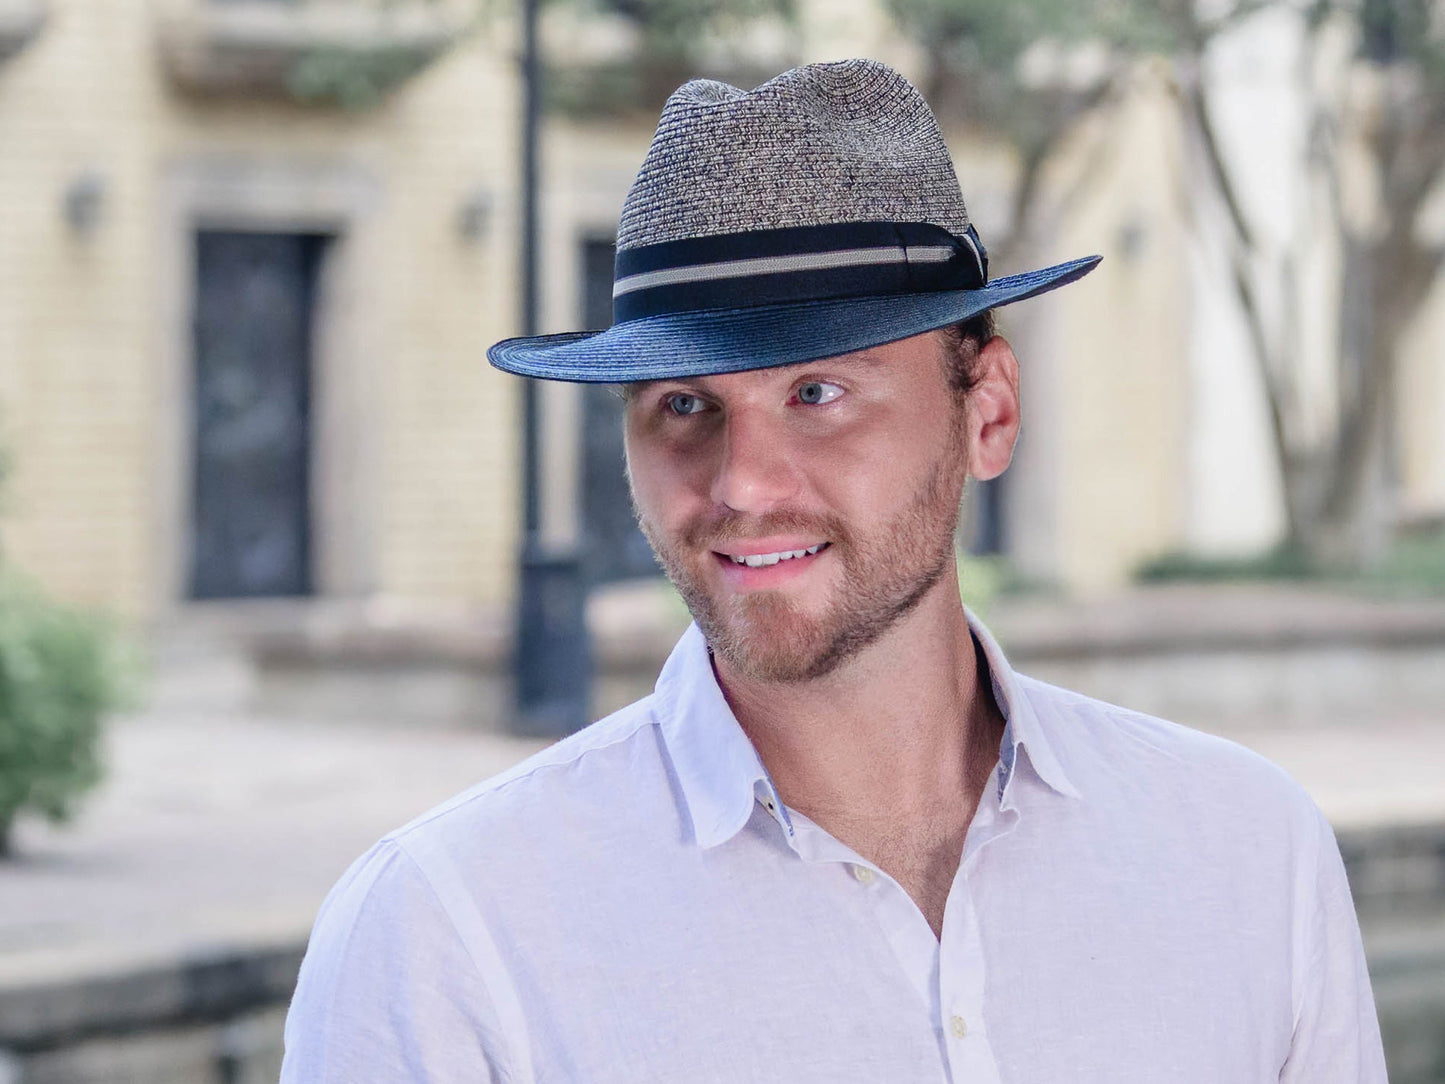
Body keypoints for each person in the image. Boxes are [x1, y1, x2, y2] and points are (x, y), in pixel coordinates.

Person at [280, 59, 1386, 1082]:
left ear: (987, 412)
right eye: (683, 406)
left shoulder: (1246, 852)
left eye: (816, 392)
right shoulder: (445, 934)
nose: (742, 485)